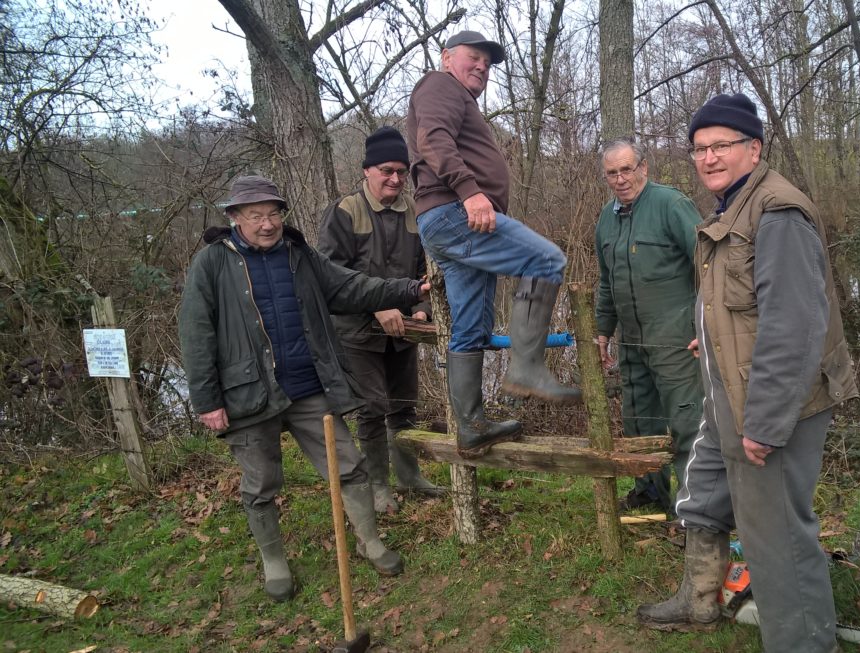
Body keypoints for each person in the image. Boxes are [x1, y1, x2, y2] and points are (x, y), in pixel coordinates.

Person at [636, 94, 858, 653]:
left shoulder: (778, 211)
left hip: (771, 404)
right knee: (704, 495)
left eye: (722, 146)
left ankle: (805, 645)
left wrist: (765, 421)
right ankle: (699, 599)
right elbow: (740, 303)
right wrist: (708, 335)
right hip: (726, 392)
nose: (708, 158)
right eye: (700, 148)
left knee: (777, 537)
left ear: (753, 148)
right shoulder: (729, 208)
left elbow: (794, 326)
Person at [179, 175, 430, 602]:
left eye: (273, 214)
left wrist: (410, 288)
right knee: (260, 484)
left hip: (308, 387)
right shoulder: (212, 264)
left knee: (349, 466)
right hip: (248, 393)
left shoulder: (300, 255)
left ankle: (371, 542)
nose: (266, 224)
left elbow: (351, 286)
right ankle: (274, 562)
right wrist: (207, 400)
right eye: (255, 215)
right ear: (235, 218)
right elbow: (196, 332)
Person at [406, 30, 580, 459]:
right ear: (447, 57)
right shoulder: (439, 85)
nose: (482, 65)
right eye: (473, 56)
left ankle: (471, 426)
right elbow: (433, 139)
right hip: (457, 212)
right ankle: (525, 368)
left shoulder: (460, 99)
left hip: (452, 218)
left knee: (470, 329)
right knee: (547, 259)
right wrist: (470, 190)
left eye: (487, 61)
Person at [318, 126, 443, 514]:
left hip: (403, 332)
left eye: (401, 172)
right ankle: (378, 486)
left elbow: (428, 272)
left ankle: (409, 475)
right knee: (372, 410)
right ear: (367, 172)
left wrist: (423, 310)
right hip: (358, 333)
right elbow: (330, 274)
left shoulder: (416, 215)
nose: (395, 179)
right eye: (386, 170)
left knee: (404, 406)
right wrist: (376, 305)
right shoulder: (344, 212)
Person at [594, 138, 704, 513]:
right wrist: (603, 331)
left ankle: (696, 510)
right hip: (633, 341)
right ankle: (651, 493)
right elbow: (606, 281)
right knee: (640, 421)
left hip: (676, 337)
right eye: (613, 172)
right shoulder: (606, 219)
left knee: (688, 422)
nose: (621, 178)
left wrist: (705, 325)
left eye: (627, 169)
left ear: (643, 167)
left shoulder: (670, 205)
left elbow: (708, 265)